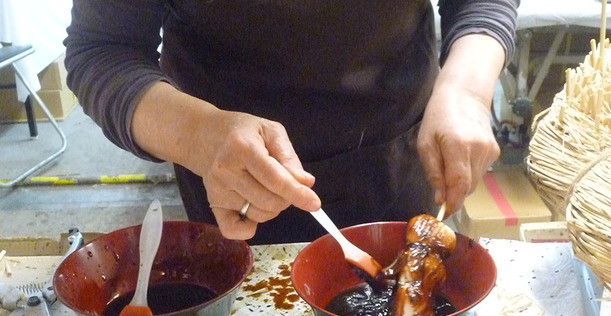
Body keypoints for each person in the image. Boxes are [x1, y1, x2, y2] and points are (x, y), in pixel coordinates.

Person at [64, 1, 519, 245]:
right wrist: (197, 134)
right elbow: (102, 51)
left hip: (396, 157)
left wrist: (465, 91)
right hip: (229, 184)